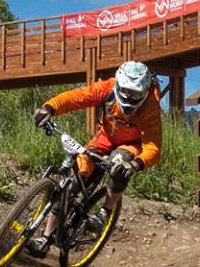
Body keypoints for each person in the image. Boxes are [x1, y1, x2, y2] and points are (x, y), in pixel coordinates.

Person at [29, 61, 162, 255]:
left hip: (132, 145)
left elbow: (153, 146)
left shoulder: (150, 106)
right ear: (118, 84)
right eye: (125, 91)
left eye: (135, 94)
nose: (128, 97)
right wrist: (49, 108)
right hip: (105, 139)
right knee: (74, 180)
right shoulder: (108, 87)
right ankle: (45, 237)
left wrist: (136, 163)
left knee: (119, 165)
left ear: (144, 91)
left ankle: (105, 212)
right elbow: (78, 97)